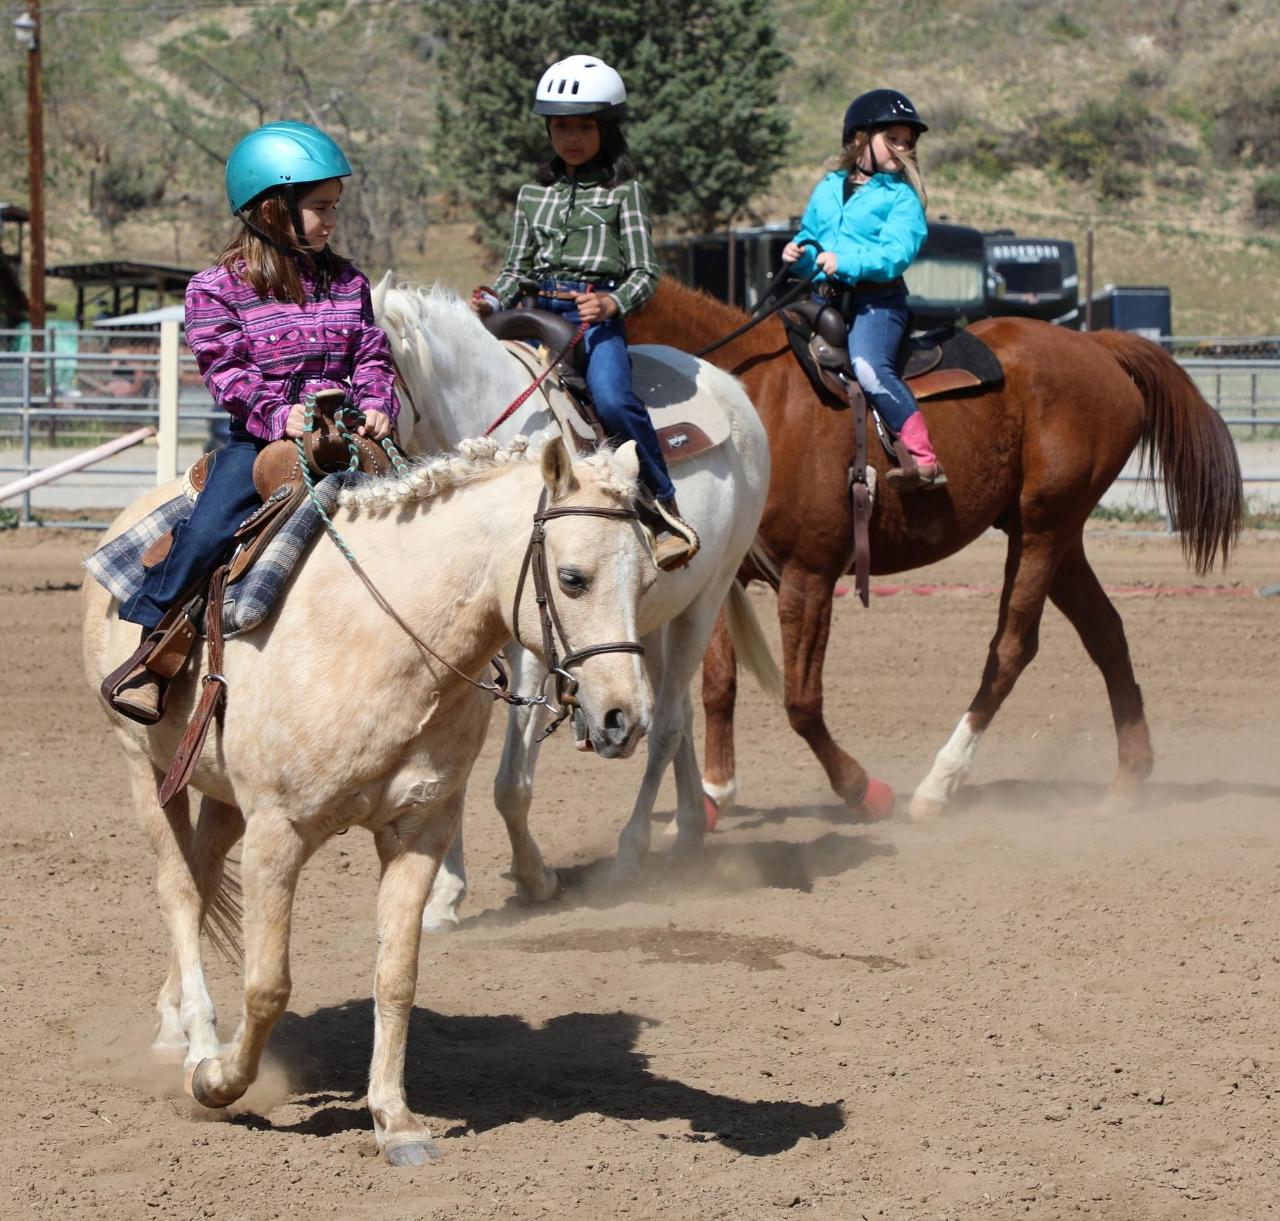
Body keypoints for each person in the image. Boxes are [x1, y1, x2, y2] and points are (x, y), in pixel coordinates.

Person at [107, 120, 398, 723]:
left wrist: (377, 403)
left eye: (334, 207)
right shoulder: (214, 290)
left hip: (349, 438)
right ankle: (152, 653)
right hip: (263, 440)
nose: (331, 220)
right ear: (272, 209)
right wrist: (278, 414)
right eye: (319, 208)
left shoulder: (349, 281)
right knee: (210, 531)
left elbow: (372, 353)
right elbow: (225, 373)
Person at [470, 54, 699, 571]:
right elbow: (516, 269)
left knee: (615, 403)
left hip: (592, 317)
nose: (570, 137)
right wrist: (489, 300)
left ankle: (662, 507)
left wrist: (612, 302)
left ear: (606, 130)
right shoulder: (533, 195)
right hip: (533, 315)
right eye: (560, 126)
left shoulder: (624, 194)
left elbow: (645, 271)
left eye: (583, 126)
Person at [782, 88, 945, 492]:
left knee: (870, 368)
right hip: (824, 298)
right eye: (894, 138)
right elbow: (811, 237)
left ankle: (923, 457)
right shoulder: (828, 187)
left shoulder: (903, 199)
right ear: (860, 139)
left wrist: (844, 261)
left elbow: (895, 253)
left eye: (908, 141)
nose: (903, 148)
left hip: (879, 302)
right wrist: (798, 253)